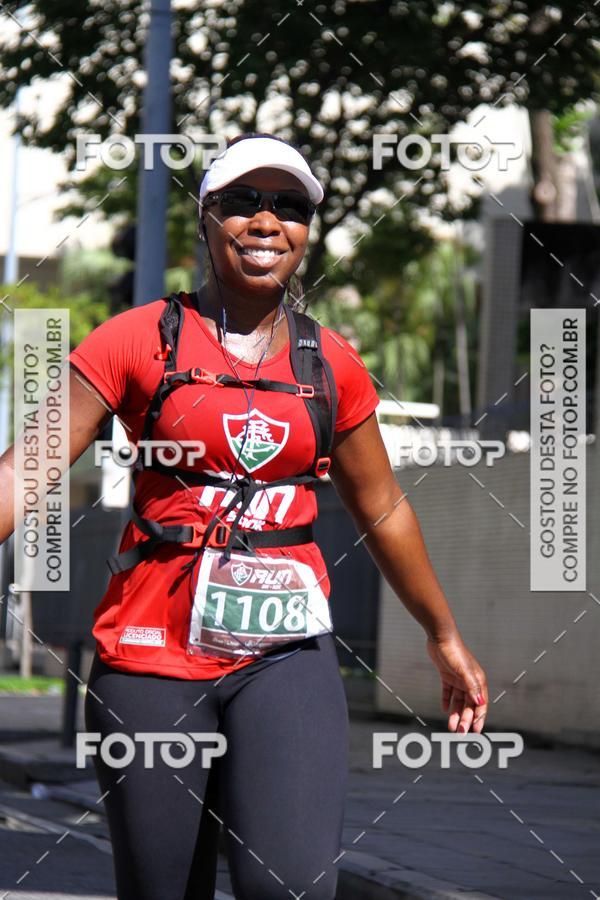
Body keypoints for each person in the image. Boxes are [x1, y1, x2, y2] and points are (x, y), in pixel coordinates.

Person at [0, 133, 488, 900]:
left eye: (289, 207)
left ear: (305, 232)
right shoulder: (136, 339)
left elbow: (384, 510)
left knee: (290, 884)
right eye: (243, 203)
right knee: (163, 888)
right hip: (150, 654)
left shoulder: (330, 366)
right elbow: (20, 476)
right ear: (206, 218)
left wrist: (444, 636)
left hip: (285, 653)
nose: (267, 221)